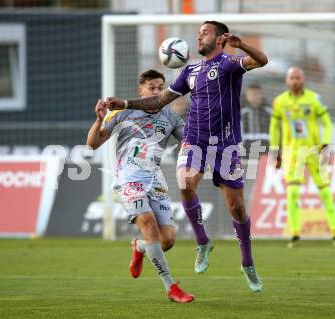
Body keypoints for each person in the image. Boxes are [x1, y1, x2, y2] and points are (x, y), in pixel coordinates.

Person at [105, 21, 268, 292]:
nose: (198, 36)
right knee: (185, 184)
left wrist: (242, 45)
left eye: (204, 32)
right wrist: (125, 103)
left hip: (226, 145)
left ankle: (247, 262)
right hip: (194, 139)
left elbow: (261, 61)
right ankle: (203, 242)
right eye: (198, 33)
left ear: (220, 38)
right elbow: (159, 101)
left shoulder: (229, 64)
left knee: (236, 208)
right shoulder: (190, 70)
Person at [86, 70, 194, 303]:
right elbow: (92, 144)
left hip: (154, 179)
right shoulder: (122, 112)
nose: (157, 92)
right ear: (141, 90)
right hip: (128, 178)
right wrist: (98, 119)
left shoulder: (171, 117)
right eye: (152, 87)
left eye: (160, 88)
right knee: (149, 225)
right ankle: (171, 287)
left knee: (168, 240)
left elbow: (189, 141)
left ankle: (140, 247)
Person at [269, 67, 335, 248]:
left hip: (314, 152)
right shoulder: (279, 101)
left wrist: (325, 143)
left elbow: (327, 122)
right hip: (291, 154)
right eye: (292, 78)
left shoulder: (313, 98)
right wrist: (275, 151)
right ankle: (295, 234)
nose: (295, 81)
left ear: (303, 80)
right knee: (293, 193)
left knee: (325, 192)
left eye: (298, 78)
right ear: (287, 81)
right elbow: (274, 127)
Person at [241, 83, 271, 150]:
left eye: (256, 94)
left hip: (266, 152)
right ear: (247, 96)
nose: (254, 96)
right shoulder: (242, 114)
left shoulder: (269, 113)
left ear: (261, 95)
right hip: (246, 153)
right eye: (251, 94)